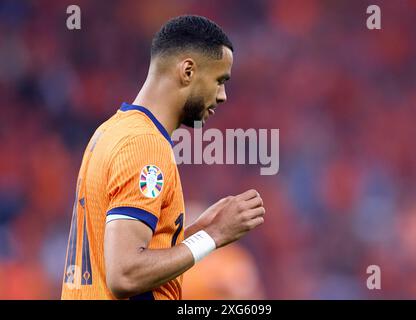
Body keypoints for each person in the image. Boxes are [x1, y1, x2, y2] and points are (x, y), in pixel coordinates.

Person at [61, 15, 265, 300]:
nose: (223, 96)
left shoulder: (111, 131)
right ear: (188, 71)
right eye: (220, 80)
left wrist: (196, 231)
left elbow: (124, 251)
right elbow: (125, 274)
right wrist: (214, 235)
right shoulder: (144, 145)